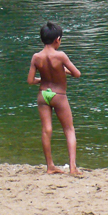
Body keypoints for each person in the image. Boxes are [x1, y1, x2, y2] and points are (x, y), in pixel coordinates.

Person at [27, 21, 82, 176]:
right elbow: (77, 74)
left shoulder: (36, 57)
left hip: (43, 94)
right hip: (59, 95)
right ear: (57, 39)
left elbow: (30, 81)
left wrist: (41, 80)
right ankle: (72, 168)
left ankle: (50, 166)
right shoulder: (61, 56)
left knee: (47, 130)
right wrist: (64, 71)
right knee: (69, 129)